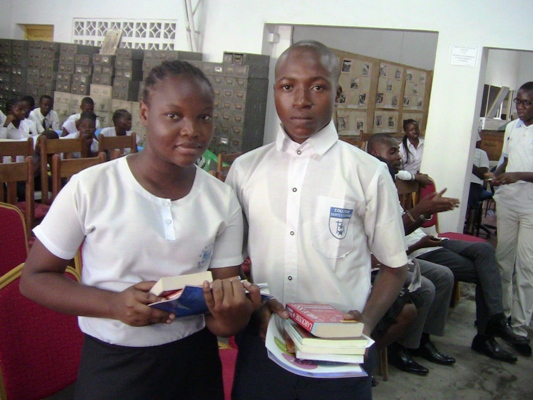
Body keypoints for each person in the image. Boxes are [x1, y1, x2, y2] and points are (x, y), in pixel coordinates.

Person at [20, 60, 261, 400]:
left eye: (204, 116)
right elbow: (34, 279)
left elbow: (223, 309)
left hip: (193, 362)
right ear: (145, 114)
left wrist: (232, 315)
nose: (192, 130)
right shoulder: (92, 187)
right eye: (174, 116)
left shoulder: (222, 199)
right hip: (114, 364)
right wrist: (113, 305)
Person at [226, 40, 408, 400]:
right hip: (264, 343)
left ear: (337, 93)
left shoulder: (367, 173)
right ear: (275, 90)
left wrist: (365, 326)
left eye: (318, 86)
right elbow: (229, 264)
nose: (301, 100)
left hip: (338, 354)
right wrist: (257, 306)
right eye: (287, 86)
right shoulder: (246, 170)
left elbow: (394, 267)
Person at [368, 133, 524, 363]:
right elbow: (389, 233)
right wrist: (421, 211)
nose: (399, 156)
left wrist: (426, 209)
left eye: (398, 151)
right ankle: (485, 331)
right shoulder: (368, 180)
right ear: (374, 155)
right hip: (413, 246)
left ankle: (495, 322)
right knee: (479, 274)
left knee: (485, 252)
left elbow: (405, 186)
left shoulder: (389, 175)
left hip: (422, 238)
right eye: (393, 152)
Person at [489, 81, 533, 357]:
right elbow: (506, 160)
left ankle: (520, 326)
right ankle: (501, 318)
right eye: (518, 101)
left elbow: (519, 170)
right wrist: (497, 174)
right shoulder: (512, 128)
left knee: (526, 269)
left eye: (526, 103)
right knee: (503, 263)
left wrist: (518, 175)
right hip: (507, 203)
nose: (520, 107)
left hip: (530, 208)